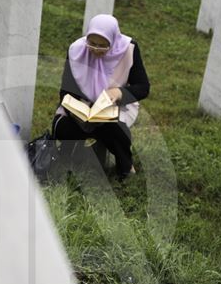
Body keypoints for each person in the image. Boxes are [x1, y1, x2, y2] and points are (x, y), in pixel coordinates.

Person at [53, 15, 150, 179]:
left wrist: (118, 93)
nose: (96, 49)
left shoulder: (129, 49)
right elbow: (66, 91)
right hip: (82, 106)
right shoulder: (77, 50)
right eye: (92, 43)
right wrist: (78, 111)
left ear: (113, 41)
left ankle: (125, 166)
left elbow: (143, 87)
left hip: (114, 106)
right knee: (63, 127)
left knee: (114, 128)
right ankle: (67, 159)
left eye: (103, 46)